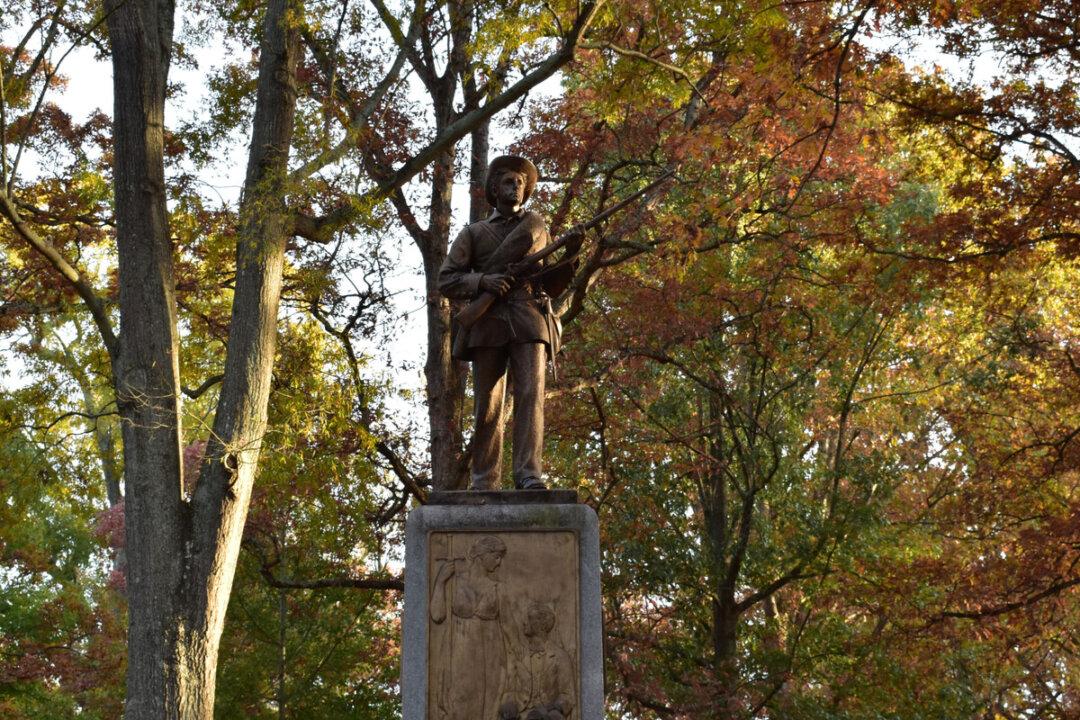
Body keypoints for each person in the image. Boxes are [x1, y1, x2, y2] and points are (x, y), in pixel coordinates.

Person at [438, 155, 557, 490]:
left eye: (521, 182)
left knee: (531, 397)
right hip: (488, 322)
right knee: (488, 404)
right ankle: (484, 480)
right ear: (493, 188)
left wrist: (572, 253)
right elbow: (446, 280)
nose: (516, 186)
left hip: (529, 318)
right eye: (508, 181)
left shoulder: (536, 228)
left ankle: (529, 474)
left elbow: (550, 280)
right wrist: (482, 282)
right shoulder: (474, 234)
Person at [430, 535, 509, 720]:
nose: (499, 563)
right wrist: (440, 582)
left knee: (488, 707)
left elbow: (508, 625)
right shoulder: (454, 582)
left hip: (490, 656)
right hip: (459, 653)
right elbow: (437, 615)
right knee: (460, 701)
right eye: (496, 556)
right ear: (482, 556)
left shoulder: (497, 588)